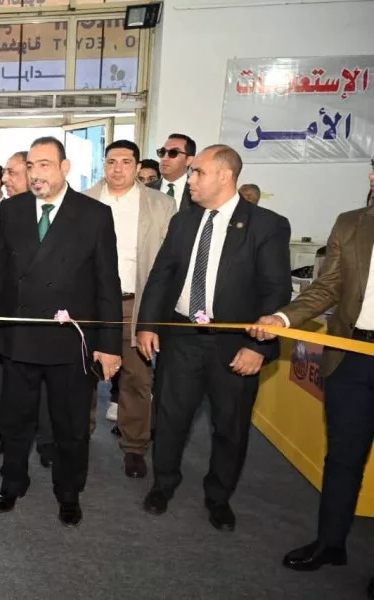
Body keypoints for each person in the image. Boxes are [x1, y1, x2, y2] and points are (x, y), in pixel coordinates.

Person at [136, 144, 291, 530]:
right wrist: (147, 324)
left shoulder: (266, 225)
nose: (191, 179)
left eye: (198, 172)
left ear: (225, 176)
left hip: (235, 343)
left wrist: (259, 346)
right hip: (182, 336)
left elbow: (276, 292)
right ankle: (163, 484)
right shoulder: (184, 221)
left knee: (230, 425)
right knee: (170, 417)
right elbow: (161, 275)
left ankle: (219, 496)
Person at [0, 136, 122, 526]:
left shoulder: (94, 214)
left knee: (71, 426)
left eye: (44, 165)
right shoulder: (12, 210)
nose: (35, 174)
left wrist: (110, 344)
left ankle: (68, 491)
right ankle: (12, 482)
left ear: (65, 168)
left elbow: (107, 284)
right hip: (19, 336)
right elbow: (0, 275)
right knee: (15, 421)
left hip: (70, 342)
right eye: (30, 166)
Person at [247, 197, 374, 597]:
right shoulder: (351, 223)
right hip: (351, 356)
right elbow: (329, 286)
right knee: (343, 458)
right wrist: (283, 317)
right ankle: (330, 543)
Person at [83, 140, 175, 478]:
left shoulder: (161, 205)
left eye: (125, 161)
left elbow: (170, 261)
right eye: (111, 161)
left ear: (137, 167)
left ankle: (134, 446)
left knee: (137, 377)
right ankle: (80, 436)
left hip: (136, 302)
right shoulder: (84, 200)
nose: (117, 168)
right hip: (90, 303)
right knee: (84, 373)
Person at [0, 149, 55, 466]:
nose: (5, 180)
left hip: (45, 317)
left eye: (12, 173)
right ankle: (5, 432)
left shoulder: (56, 211)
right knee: (2, 380)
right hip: (5, 315)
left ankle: (46, 438)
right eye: (5, 173)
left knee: (45, 382)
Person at [150, 134, 196, 212]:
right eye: (162, 152)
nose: (164, 158)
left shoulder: (200, 193)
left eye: (173, 153)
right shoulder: (145, 190)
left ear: (189, 160)